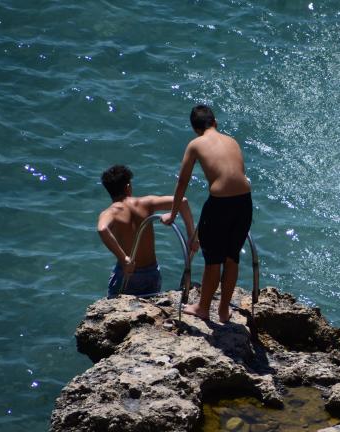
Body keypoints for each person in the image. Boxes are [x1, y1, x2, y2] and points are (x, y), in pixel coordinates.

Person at [161, 105, 252, 322]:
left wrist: (172, 214)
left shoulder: (195, 144)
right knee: (232, 258)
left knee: (213, 260)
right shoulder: (232, 141)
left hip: (220, 204)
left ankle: (203, 308)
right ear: (215, 122)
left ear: (195, 128)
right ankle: (222, 311)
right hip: (244, 202)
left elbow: (183, 181)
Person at [97, 165, 196, 298]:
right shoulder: (146, 203)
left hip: (127, 273)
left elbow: (102, 229)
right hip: (151, 273)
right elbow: (183, 202)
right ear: (128, 187)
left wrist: (124, 258)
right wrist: (191, 236)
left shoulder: (110, 212)